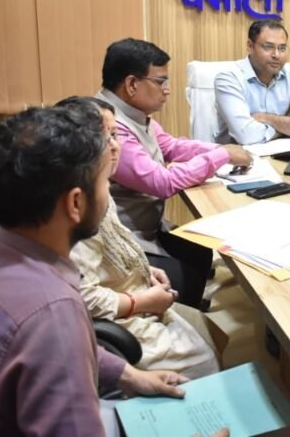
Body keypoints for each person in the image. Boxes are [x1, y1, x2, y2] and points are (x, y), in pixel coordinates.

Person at [0, 106, 188, 436]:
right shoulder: (52, 313)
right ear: (75, 203)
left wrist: (130, 376)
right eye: (104, 182)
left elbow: (60, 351)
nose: (107, 193)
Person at [60, 97, 219, 380]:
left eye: (115, 135)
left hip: (134, 291)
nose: (115, 146)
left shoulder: (97, 182)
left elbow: (117, 240)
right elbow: (83, 298)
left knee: (210, 332)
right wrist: (139, 302)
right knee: (205, 362)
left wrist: (144, 269)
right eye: (105, 138)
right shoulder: (76, 208)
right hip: (121, 315)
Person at [97, 38, 251, 309]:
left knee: (199, 250)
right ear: (132, 84)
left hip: (148, 225)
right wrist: (223, 155)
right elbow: (162, 182)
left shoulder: (130, 112)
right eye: (161, 82)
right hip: (122, 238)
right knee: (186, 271)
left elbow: (170, 146)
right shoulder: (110, 126)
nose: (167, 90)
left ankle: (188, 305)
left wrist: (221, 149)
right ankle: (174, 312)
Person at [214, 20, 290, 145]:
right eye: (268, 47)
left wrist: (266, 118)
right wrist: (286, 126)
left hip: (283, 152)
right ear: (250, 46)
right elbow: (246, 136)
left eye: (282, 48)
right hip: (239, 155)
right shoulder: (229, 78)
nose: (276, 55)